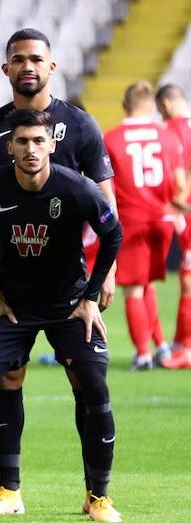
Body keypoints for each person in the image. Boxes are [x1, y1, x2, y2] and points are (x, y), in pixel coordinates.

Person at [0, 28, 116, 516]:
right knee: (6, 379)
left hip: (71, 285)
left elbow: (104, 205)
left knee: (85, 382)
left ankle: (97, 493)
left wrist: (101, 279)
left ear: (52, 67)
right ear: (5, 68)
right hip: (12, 289)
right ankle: (8, 490)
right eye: (18, 59)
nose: (27, 66)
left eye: (36, 59)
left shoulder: (83, 126)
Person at [102, 82, 186, 369]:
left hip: (131, 220)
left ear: (125, 106)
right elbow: (180, 186)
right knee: (146, 285)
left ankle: (143, 354)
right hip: (162, 221)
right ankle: (161, 345)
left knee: (133, 290)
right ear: (152, 106)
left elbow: (105, 186)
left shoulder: (111, 138)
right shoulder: (168, 137)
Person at [156, 83, 191, 367]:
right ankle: (181, 344)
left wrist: (177, 197)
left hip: (187, 214)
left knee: (188, 281)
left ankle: (186, 349)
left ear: (166, 105)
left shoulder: (170, 132)